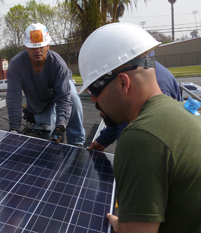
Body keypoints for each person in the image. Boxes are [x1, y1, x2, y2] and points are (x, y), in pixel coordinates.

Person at [78, 22, 201, 233]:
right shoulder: (187, 112)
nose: (92, 99)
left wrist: (124, 227)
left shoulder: (140, 138)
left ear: (123, 83)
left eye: (95, 89)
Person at [6, 23, 85, 146]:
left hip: (60, 88)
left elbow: (63, 98)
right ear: (25, 47)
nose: (37, 50)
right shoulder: (16, 64)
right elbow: (13, 97)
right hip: (38, 96)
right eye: (33, 47)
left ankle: (77, 140)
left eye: (41, 46)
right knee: (45, 135)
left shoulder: (58, 64)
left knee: (73, 97)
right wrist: (14, 128)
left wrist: (60, 128)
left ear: (48, 46)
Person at [87, 51, 183, 151]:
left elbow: (153, 149)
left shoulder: (156, 87)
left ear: (123, 82)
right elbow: (122, 112)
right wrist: (103, 139)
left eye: (97, 88)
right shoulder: (143, 70)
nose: (93, 99)